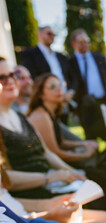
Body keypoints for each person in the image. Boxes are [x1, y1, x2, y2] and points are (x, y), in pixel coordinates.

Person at [26, 73, 106, 212]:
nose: (59, 90)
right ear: (41, 94)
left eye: (60, 85)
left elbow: (61, 142)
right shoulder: (41, 116)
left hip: (58, 163)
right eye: (52, 87)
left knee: (102, 171)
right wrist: (84, 155)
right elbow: (55, 152)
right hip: (49, 169)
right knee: (98, 175)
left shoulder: (51, 112)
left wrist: (84, 144)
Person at [0, 57, 85, 200]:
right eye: (2, 78)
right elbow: (5, 177)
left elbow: (46, 152)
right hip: (29, 196)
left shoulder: (20, 117)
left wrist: (72, 172)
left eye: (12, 75)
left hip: (49, 185)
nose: (10, 81)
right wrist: (50, 177)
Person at [68, 28, 106, 140]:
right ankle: (95, 156)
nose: (85, 44)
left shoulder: (99, 58)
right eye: (81, 42)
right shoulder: (70, 63)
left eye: (86, 41)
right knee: (90, 136)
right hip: (85, 106)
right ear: (74, 44)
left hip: (104, 101)